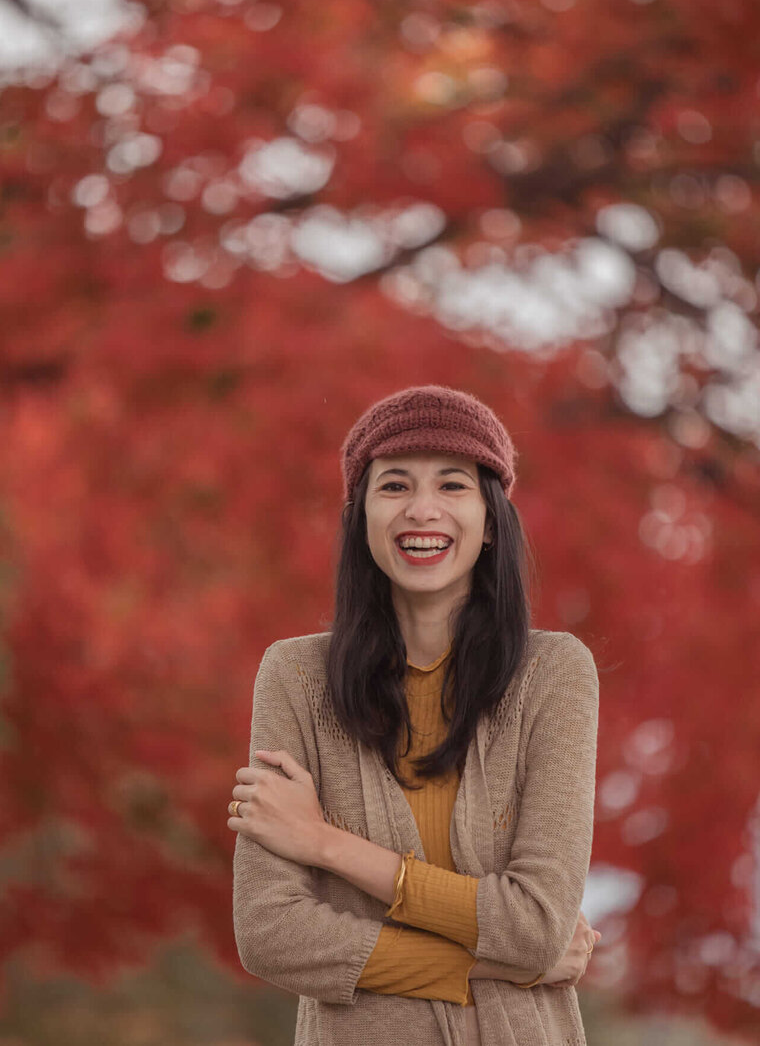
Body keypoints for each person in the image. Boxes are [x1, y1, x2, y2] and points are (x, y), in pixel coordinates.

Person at [230, 384, 601, 1045]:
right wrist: (486, 963)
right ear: (360, 515)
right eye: (394, 485)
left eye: (453, 486)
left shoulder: (554, 675)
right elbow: (271, 934)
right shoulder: (294, 677)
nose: (422, 510)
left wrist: (326, 845)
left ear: (491, 520)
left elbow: (537, 924)